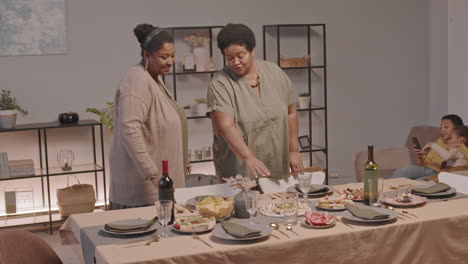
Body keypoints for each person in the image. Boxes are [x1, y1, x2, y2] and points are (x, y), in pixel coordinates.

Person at [207, 23, 304, 180]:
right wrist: (249, 157)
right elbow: (226, 126)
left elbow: (291, 111)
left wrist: (294, 150)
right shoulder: (219, 84)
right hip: (240, 170)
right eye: (229, 58)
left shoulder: (274, 72)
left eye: (241, 55)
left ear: (253, 50)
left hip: (276, 164)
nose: (236, 62)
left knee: (276, 203)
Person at [108, 23, 188, 209]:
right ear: (146, 55)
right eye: (164, 57)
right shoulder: (137, 80)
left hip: (161, 186)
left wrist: (182, 156)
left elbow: (161, 125)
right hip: (144, 191)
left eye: (173, 56)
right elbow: (129, 128)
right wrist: (153, 174)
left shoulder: (154, 79)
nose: (170, 61)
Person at [392, 114, 466, 179]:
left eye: (446, 127)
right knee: (400, 172)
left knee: (418, 183)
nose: (442, 130)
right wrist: (421, 156)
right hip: (426, 168)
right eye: (441, 128)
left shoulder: (458, 145)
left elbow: (452, 157)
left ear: (457, 129)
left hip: (437, 173)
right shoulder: (439, 141)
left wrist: (434, 145)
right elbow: (425, 163)